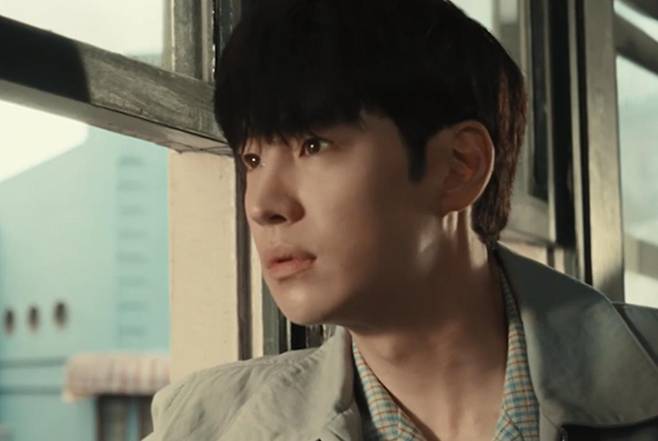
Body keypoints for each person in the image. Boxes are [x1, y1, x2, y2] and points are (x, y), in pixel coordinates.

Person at [144, 0, 658, 440]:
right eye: (252, 159)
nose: (262, 204)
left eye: (313, 145)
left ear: (459, 167)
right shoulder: (201, 426)